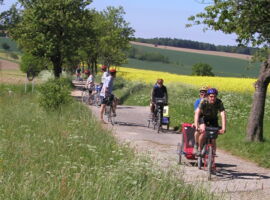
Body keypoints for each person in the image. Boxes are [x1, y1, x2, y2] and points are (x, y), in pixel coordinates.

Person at [194, 88, 226, 156]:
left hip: (213, 119)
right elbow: (197, 113)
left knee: (214, 137)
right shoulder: (203, 101)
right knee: (203, 132)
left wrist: (223, 128)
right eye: (211, 96)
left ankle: (213, 153)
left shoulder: (219, 102)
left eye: (214, 96)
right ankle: (199, 148)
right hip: (203, 118)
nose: (213, 98)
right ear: (208, 96)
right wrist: (197, 125)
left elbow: (222, 114)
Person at [193, 86, 208, 153]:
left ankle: (211, 150)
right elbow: (196, 113)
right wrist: (196, 123)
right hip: (199, 118)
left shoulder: (209, 101)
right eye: (202, 93)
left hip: (208, 119)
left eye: (205, 93)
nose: (203, 94)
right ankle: (196, 145)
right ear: (199, 94)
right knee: (197, 131)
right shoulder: (197, 101)